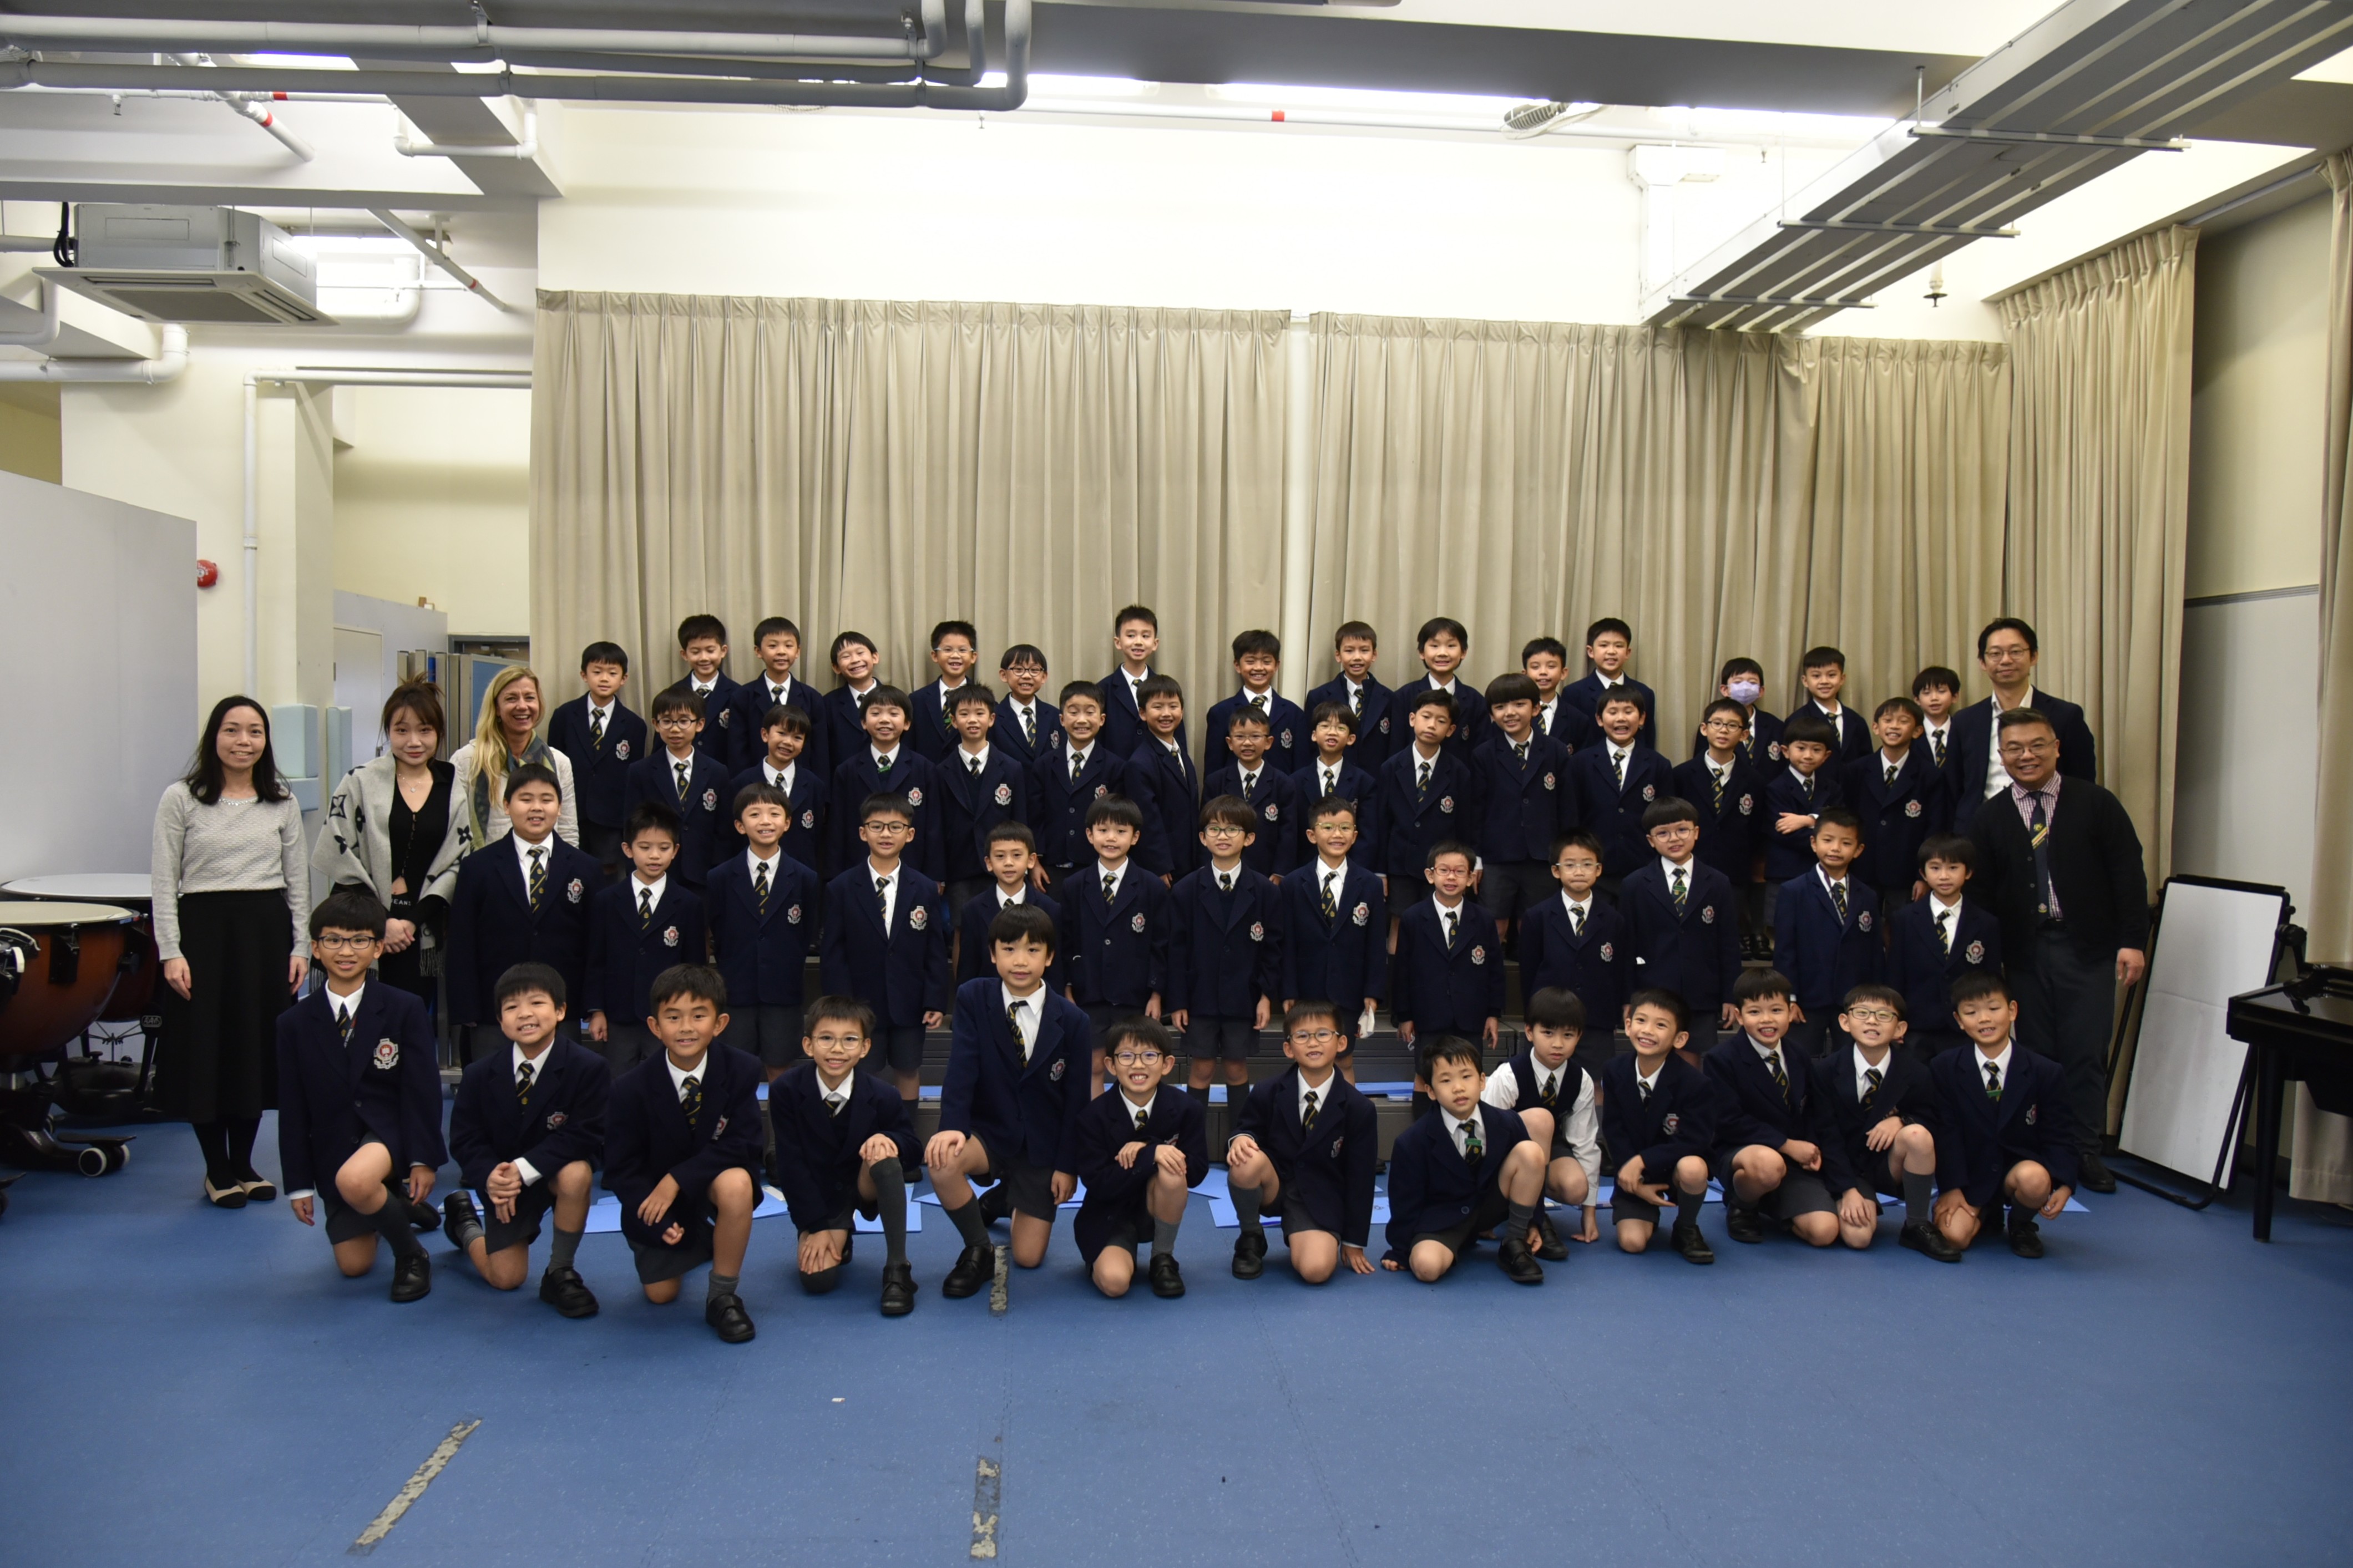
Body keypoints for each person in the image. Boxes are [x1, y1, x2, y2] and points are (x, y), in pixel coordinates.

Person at [1965, 707, 2146, 1194]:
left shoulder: (2095, 803)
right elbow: (1981, 894)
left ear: (2056, 747)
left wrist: (2132, 940)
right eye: (2014, 748)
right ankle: (2043, 1148)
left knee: (2084, 1053)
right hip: (2024, 953)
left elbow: (2128, 874)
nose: (2026, 755)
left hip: (2087, 948)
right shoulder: (1991, 815)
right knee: (2035, 1055)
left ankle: (2085, 1149)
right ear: (2001, 755)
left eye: (2036, 745)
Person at [152, 695, 312, 1207]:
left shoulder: (281, 801)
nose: (244, 741)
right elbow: (164, 881)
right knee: (207, 1048)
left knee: (255, 1048)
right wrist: (170, 950)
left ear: (266, 740)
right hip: (202, 934)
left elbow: (298, 881)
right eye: (232, 730)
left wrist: (302, 945)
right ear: (214, 737)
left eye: (255, 731)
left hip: (265, 934)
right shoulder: (181, 798)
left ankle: (244, 1163)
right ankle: (216, 1169)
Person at [274, 891, 442, 1300]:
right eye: (333, 940)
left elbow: (422, 1090)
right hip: (334, 1146)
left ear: (378, 948)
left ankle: (412, 1254)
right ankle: (396, 1205)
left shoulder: (404, 1007)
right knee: (355, 1265)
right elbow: (292, 1107)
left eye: (359, 940)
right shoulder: (293, 1022)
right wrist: (298, 1185)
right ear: (315, 948)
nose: (346, 951)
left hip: (388, 1131)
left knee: (356, 1179)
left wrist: (422, 1158)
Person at [928, 905, 1094, 1295]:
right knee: (942, 1160)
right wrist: (952, 1127)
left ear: (1050, 957)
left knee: (1028, 1257)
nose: (1020, 961)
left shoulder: (1074, 1022)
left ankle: (1005, 1198)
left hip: (1041, 1148)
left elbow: (1076, 1102)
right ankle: (978, 1248)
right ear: (992, 954)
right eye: (1009, 949)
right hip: (989, 1133)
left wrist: (1067, 1166)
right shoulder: (973, 997)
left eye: (1032, 950)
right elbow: (962, 1068)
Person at [603, 963, 762, 1339]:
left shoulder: (742, 1069)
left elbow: (744, 1144)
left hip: (706, 1182)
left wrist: (677, 1179)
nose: (686, 1027)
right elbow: (620, 1168)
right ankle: (702, 1238)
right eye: (673, 1017)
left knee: (737, 1184)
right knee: (661, 1295)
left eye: (698, 1016)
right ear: (655, 1026)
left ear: (720, 1024)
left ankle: (723, 1296)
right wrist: (654, 1216)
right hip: (656, 1195)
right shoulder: (629, 1088)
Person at [441, 961, 610, 1313]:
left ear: (561, 1011)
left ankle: (560, 1272)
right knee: (506, 1278)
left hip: (552, 1171)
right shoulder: (479, 1074)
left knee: (577, 1173)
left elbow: (586, 1133)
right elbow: (465, 1139)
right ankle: (465, 1224)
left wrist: (523, 1168)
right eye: (512, 1007)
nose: (525, 1014)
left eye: (536, 1003)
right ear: (500, 1020)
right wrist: (492, 1176)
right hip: (505, 1182)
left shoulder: (588, 1067)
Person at [313, 679, 468, 1007]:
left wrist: (410, 921)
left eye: (425, 730)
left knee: (409, 1019)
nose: (414, 742)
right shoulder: (360, 781)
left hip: (420, 932)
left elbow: (458, 859)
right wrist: (383, 920)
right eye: (402, 730)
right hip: (360, 928)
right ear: (388, 733)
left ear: (438, 733)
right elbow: (340, 853)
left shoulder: (452, 782)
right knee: (358, 1019)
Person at [770, 996, 919, 1317]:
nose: (837, 1049)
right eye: (826, 1038)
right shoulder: (786, 1090)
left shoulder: (884, 1094)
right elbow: (791, 1165)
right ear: (808, 1045)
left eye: (849, 1040)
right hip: (822, 1196)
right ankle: (840, 1234)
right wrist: (815, 1226)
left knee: (885, 1158)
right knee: (818, 1282)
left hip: (863, 1187)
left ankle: (898, 1268)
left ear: (865, 1048)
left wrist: (889, 1139)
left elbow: (913, 1148)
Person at [443, 764, 600, 1066]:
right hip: (493, 1010)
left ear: (560, 807)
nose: (536, 808)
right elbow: (462, 942)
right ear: (507, 805)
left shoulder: (586, 868)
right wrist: (466, 1010)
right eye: (526, 799)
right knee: (494, 1085)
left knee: (559, 1085)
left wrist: (593, 1006)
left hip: (561, 1007)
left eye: (546, 799)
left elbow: (595, 944)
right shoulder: (478, 867)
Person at [1225, 1002, 1379, 1283]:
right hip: (1275, 1185)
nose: (1313, 1043)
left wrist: (1354, 1240)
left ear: (1341, 1043)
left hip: (1320, 1198)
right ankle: (1251, 1236)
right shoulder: (1267, 1090)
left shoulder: (1359, 1108)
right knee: (1245, 1160)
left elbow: (1361, 1179)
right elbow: (1246, 1128)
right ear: (1288, 1048)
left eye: (1323, 1034)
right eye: (1302, 1036)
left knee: (1316, 1271)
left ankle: (1308, 1235)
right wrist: (1242, 1139)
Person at [1931, 970, 2081, 1258]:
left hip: (2018, 1169)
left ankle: (2021, 1224)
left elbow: (2059, 1132)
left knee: (2035, 1180)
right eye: (1972, 1012)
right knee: (1954, 1237)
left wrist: (2064, 1182)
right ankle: (1987, 1213)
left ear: (2012, 1010)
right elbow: (1946, 1133)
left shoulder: (2045, 1071)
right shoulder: (1944, 1067)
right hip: (1971, 1176)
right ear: (1959, 1021)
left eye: (1993, 1008)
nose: (1984, 1019)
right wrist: (1951, 1188)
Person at [1808, 983, 1959, 1261]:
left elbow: (1933, 1118)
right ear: (1845, 1022)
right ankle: (1836, 1200)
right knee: (1859, 1238)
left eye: (1884, 1015)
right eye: (1862, 1013)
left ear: (1900, 1029)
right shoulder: (1825, 1072)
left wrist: (1902, 1120)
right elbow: (1826, 1134)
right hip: (1844, 1167)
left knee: (1918, 1135)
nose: (1872, 1021)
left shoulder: (1916, 1073)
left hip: (1885, 1164)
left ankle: (1916, 1225)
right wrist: (1848, 1190)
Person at [1381, 1035, 1547, 1284]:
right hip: (1444, 1217)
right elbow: (1404, 1203)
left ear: (1482, 1081)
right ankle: (1457, 1243)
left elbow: (1534, 1179)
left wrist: (1534, 1222)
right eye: (1446, 1080)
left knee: (1530, 1152)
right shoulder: (1412, 1141)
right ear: (1430, 1091)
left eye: (1466, 1077)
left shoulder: (1507, 1122)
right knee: (1426, 1268)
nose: (1458, 1088)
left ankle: (1514, 1242)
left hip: (1491, 1205)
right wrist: (1401, 1250)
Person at [819, 793, 952, 1104]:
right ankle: (864, 1128)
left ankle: (905, 1130)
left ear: (910, 834)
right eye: (877, 826)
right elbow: (833, 953)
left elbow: (935, 949)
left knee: (908, 1069)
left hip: (910, 1001)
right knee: (863, 1070)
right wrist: (841, 1004)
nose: (886, 834)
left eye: (895, 827)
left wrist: (935, 999)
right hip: (860, 1004)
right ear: (863, 833)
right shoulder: (841, 888)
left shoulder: (924, 888)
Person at [1707, 969, 1848, 1249]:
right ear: (1739, 1016)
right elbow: (1728, 1121)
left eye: (1776, 1010)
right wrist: (1786, 1145)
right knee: (1768, 1164)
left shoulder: (1799, 1055)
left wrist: (1812, 1150)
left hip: (1794, 1161)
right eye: (1755, 1012)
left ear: (1791, 1012)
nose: (1767, 1020)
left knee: (1824, 1233)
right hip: (1745, 1153)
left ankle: (1770, 1201)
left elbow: (1815, 1112)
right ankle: (1743, 1204)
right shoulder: (1721, 1059)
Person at [1071, 1018, 1207, 1299]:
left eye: (1149, 1056)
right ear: (1111, 1065)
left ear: (1167, 1064)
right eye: (1127, 1056)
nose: (1138, 1065)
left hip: (1156, 1206)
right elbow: (1098, 1184)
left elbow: (1196, 1172)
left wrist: (1150, 1148)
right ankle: (1106, 1256)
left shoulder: (1187, 1109)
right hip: (1110, 1214)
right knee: (1115, 1284)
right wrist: (1150, 1154)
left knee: (1173, 1171)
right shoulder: (1092, 1117)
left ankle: (1162, 1257)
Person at [1167, 796, 1283, 1110]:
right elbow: (1176, 950)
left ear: (1249, 838)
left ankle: (1241, 1136)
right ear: (1202, 838)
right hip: (1199, 997)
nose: (1223, 836)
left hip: (1244, 997)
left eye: (1232, 829)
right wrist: (1178, 1001)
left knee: (1236, 1068)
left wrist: (1266, 996)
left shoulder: (1266, 891)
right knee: (1201, 1068)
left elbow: (1273, 949)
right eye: (1214, 829)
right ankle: (1191, 1137)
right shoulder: (1186, 890)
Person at [1477, 986, 1602, 1260]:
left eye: (1568, 1035)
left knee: (1576, 1187)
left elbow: (1585, 1144)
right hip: (1505, 1155)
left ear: (1579, 1037)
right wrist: (1483, 1212)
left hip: (1547, 1150)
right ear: (1529, 1032)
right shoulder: (1508, 1075)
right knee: (1540, 1120)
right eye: (1548, 1033)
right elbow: (1482, 1135)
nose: (1558, 1044)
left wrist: (1589, 1213)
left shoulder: (1580, 1080)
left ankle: (1533, 1212)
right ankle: (1534, 1219)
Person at [707, 783, 822, 1078]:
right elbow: (718, 931)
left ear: (788, 823)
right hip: (736, 989)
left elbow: (807, 932)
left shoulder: (805, 878)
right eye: (755, 814)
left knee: (780, 1068)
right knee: (735, 1069)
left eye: (774, 813)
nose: (765, 821)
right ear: (740, 825)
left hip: (783, 990)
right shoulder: (719, 877)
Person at [584, 803, 708, 1073]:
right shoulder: (607, 901)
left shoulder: (688, 904)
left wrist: (691, 1014)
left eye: (664, 848)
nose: (654, 855)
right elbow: (596, 960)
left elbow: (695, 967)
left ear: (675, 851)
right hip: (619, 1015)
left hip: (669, 1015)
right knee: (618, 1083)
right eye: (645, 847)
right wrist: (597, 1011)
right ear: (628, 849)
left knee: (665, 1081)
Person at [1057, 795, 1170, 1086]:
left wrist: (1156, 993)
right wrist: (1067, 986)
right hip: (1088, 992)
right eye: (1103, 830)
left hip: (1135, 994)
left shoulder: (1152, 886)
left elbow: (1161, 944)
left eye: (1121, 831)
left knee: (1131, 1063)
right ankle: (1094, 1117)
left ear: (1135, 837)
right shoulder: (1073, 886)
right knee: (1094, 1064)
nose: (1111, 838)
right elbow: (1065, 941)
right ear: (1089, 834)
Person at [1949, 617, 2098, 830]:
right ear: (1983, 662)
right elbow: (1954, 787)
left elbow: (2082, 783)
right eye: (1995, 654)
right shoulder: (1965, 721)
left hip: (2047, 829)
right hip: (1979, 832)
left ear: (2034, 656)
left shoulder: (2066, 716)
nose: (2006, 660)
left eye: (2016, 652)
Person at [1600, 989, 1716, 1262]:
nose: (1648, 1031)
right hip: (1634, 1173)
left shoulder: (1696, 1083)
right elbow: (1615, 1131)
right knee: (1632, 1243)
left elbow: (1694, 1141)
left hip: (1673, 1168)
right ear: (1628, 1025)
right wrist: (1634, 1180)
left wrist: (1643, 1160)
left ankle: (1686, 1227)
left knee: (1694, 1168)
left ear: (1680, 1039)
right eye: (1641, 1021)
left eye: (1661, 1025)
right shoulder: (1615, 1071)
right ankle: (1643, 1211)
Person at [1277, 796, 1387, 1074]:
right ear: (1312, 835)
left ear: (1355, 836)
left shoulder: (1370, 884)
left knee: (1343, 1059)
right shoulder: (1293, 883)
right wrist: (1289, 990)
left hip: (1349, 989)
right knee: (1307, 1058)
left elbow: (1376, 944)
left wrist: (1372, 993)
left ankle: (1345, 1105)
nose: (1337, 834)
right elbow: (1286, 943)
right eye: (1328, 827)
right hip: (1307, 989)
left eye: (1345, 828)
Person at [1618, 799, 1742, 1038]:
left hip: (1703, 992)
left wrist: (1730, 995)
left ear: (1696, 832)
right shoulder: (1634, 885)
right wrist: (1628, 998)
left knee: (1695, 1056)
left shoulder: (1718, 882)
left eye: (1682, 830)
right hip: (1652, 992)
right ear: (1651, 840)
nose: (1674, 839)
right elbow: (1627, 947)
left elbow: (1728, 944)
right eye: (1663, 833)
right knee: (1656, 1052)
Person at [1472, 672, 1575, 947]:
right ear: (1491, 715)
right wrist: (1477, 858)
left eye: (1519, 704)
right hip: (1497, 856)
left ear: (1536, 708)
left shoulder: (1556, 751)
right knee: (1494, 924)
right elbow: (1476, 811)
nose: (1510, 713)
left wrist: (1565, 853)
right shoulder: (1483, 754)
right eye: (1500, 707)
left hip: (1542, 855)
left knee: (1535, 925)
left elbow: (1567, 807)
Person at [1772, 808, 1884, 1059]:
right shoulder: (1793, 891)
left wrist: (1874, 999)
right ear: (1814, 843)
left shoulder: (1867, 895)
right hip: (1807, 998)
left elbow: (1875, 951)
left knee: (1851, 1061)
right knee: (1802, 1060)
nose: (1835, 848)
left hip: (1854, 1001)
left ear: (1858, 850)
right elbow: (1785, 950)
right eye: (1828, 840)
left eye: (1846, 843)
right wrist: (1789, 998)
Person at [1886, 834, 2001, 1060]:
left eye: (1953, 868)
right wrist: (1894, 1020)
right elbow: (1895, 975)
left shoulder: (1986, 923)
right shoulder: (1904, 920)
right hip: (1917, 1026)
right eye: (1935, 868)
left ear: (1968, 872)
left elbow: (1992, 978)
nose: (1944, 876)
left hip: (1967, 1025)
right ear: (1923, 873)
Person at [1674, 697, 1769, 958]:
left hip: (1735, 869)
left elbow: (1757, 829)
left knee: (1729, 941)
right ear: (1705, 729)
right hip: (1691, 865)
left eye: (1732, 725)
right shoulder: (1682, 775)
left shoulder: (1755, 781)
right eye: (1717, 723)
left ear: (1744, 734)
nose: (1724, 730)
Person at [1389, 843, 1503, 1056]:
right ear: (1430, 875)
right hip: (1428, 1017)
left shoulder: (1483, 919)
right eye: (1444, 870)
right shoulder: (1413, 918)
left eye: (1459, 871)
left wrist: (1493, 1014)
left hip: (1471, 1018)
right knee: (1428, 1071)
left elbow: (1495, 971)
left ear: (1470, 878)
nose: (1451, 877)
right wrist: (1404, 1016)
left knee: (1467, 1069)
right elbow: (1403, 972)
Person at [450, 664, 579, 849]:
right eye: (511, 698)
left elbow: (568, 832)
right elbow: (453, 832)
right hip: (484, 865)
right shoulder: (467, 760)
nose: (522, 706)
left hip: (544, 864)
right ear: (497, 708)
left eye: (530, 698)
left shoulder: (559, 762)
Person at [827, 683, 945, 883]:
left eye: (893, 713)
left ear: (907, 723)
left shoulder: (924, 769)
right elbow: (837, 830)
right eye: (876, 713)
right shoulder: (847, 771)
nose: (884, 720)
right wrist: (834, 877)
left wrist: (935, 877)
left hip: (914, 871)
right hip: (858, 871)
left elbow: (934, 827)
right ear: (864, 722)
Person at [547, 641, 646, 876]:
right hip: (571, 812)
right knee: (569, 872)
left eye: (612, 673)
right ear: (584, 675)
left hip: (611, 818)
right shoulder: (564, 716)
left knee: (607, 876)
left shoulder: (634, 725)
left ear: (624, 679)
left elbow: (634, 778)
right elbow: (552, 768)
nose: (604, 679)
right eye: (597, 672)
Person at [1516, 831, 1630, 1033]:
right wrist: (1532, 1016)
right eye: (1570, 865)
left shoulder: (1613, 919)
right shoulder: (1537, 917)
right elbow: (1529, 973)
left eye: (1587, 865)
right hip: (1549, 1019)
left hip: (1597, 1021)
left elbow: (1619, 971)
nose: (1579, 872)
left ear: (1599, 869)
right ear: (1556, 871)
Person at [1565, 691, 1673, 895]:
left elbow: (1666, 821)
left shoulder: (1658, 764)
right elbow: (1572, 815)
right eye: (1613, 712)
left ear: (1642, 718)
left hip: (1643, 866)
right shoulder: (1580, 763)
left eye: (1628, 712)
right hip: (1594, 866)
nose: (1621, 718)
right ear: (1599, 719)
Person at [1843, 696, 1945, 911]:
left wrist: (1924, 875)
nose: (1894, 726)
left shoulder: (1929, 775)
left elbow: (1935, 829)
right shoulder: (1856, 771)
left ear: (1917, 731)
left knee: (1902, 926)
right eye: (1888, 720)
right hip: (1862, 869)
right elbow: (1846, 819)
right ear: (1876, 728)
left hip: (1906, 873)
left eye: (1903, 721)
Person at [621, 688, 730, 890]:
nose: (675, 729)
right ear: (656, 724)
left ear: (700, 724)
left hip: (704, 874)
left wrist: (719, 871)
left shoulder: (717, 772)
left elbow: (724, 830)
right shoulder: (640, 771)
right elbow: (631, 825)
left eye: (683, 721)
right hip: (657, 872)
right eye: (667, 721)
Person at [933, 682, 1027, 911]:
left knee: (1005, 925)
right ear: (954, 721)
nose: (972, 720)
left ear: (992, 719)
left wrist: (1022, 863)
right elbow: (937, 826)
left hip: (1003, 866)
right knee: (961, 927)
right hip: (959, 868)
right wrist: (938, 873)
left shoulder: (1012, 768)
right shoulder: (941, 771)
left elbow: (1020, 820)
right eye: (964, 714)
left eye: (979, 713)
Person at [1028, 681, 1127, 897]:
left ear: (1102, 719)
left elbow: (1119, 820)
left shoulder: (1115, 767)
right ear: (1062, 720)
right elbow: (1035, 817)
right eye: (1073, 713)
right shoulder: (1044, 765)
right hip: (1051, 868)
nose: (1082, 720)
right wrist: (1034, 861)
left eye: (1090, 712)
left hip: (1097, 864)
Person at [1375, 687, 1475, 892]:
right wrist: (1380, 871)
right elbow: (1382, 823)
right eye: (1426, 717)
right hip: (1399, 867)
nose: (1432, 725)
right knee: (1399, 914)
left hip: (1442, 870)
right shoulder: (1391, 768)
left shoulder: (1459, 772)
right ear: (1413, 719)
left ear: (1451, 730)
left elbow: (1465, 827)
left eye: (1441, 721)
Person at [725, 703, 828, 881]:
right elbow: (731, 838)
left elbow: (819, 838)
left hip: (800, 878)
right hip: (751, 876)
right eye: (782, 733)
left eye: (797, 737)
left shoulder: (814, 786)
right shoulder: (741, 783)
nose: (788, 742)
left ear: (804, 744)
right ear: (765, 735)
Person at [955, 822, 1062, 987]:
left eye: (1017, 855)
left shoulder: (1049, 909)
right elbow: (968, 971)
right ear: (989, 863)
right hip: (989, 999)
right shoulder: (973, 910)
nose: (1008, 863)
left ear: (1031, 860)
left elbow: (1055, 970)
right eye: (1000, 856)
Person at [1763, 712, 1843, 930]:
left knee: (1821, 928)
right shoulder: (1775, 788)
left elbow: (1839, 824)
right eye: (1801, 748)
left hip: (1824, 871)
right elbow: (1784, 832)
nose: (1808, 756)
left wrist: (1808, 820)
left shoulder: (1832, 788)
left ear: (1826, 756)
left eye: (1816, 750)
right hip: (1786, 872)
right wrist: (1824, 837)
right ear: (1786, 751)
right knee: (1783, 930)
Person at [721, 616, 827, 779]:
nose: (781, 652)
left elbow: (820, 753)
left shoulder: (812, 698)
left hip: (801, 783)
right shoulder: (743, 697)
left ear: (798, 651)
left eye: (789, 646)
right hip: (755, 785)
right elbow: (737, 752)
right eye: (773, 646)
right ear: (758, 651)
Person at [1202, 707, 1300, 879]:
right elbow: (1206, 828)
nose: (1247, 743)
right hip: (1222, 869)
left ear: (1269, 742)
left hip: (1267, 873)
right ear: (1230, 743)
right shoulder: (1216, 782)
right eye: (1240, 737)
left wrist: (1280, 871)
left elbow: (1288, 833)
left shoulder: (1283, 783)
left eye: (1255, 736)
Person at [1126, 673, 1201, 885]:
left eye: (1173, 706)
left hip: (1189, 861)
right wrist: (1159, 865)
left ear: (1182, 711)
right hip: (1165, 869)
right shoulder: (1140, 763)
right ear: (1143, 713)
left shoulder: (1180, 752)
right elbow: (1147, 820)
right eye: (1158, 707)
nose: (1166, 714)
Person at [1205, 629, 1308, 778]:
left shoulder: (1294, 714)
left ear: (1277, 666)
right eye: (1251, 661)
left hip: (1281, 792)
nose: (1259, 668)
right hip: (1234, 791)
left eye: (1266, 662)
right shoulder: (1221, 712)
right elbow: (1213, 769)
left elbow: (1301, 770)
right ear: (1237, 665)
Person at [1292, 703, 1379, 870]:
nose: (1332, 732)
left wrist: (1355, 872)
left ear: (1351, 739)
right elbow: (1291, 832)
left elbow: (1368, 836)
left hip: (1349, 868)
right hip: (1304, 869)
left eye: (1341, 728)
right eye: (1325, 726)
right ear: (1314, 735)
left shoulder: (1364, 782)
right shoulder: (1295, 781)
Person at [1305, 620, 1398, 769]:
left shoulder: (1390, 698)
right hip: (1332, 778)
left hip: (1375, 780)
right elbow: (1309, 747)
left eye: (1364, 650)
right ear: (1338, 655)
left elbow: (1394, 748)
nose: (1357, 657)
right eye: (1349, 651)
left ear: (1374, 655)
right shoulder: (1318, 697)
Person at [1395, 616, 1487, 762]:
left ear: (1463, 652)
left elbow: (1481, 754)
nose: (1443, 653)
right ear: (1422, 653)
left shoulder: (1476, 701)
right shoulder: (1404, 696)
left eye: (1451, 646)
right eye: (1435, 646)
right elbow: (1395, 748)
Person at [1099, 605, 1184, 759]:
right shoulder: (1103, 690)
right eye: (1131, 636)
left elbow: (1178, 740)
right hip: (1117, 771)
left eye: (1145, 636)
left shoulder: (1167, 689)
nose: (1138, 642)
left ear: (1155, 644)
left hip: (1159, 770)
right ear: (1118, 642)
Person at [1561, 617, 1657, 751]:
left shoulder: (1644, 693)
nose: (1611, 652)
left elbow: (1648, 741)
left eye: (1619, 646)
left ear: (1628, 653)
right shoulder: (1574, 693)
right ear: (1591, 651)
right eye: (1604, 645)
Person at [659, 613, 740, 765]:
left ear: (723, 651)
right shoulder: (672, 695)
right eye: (696, 652)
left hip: (725, 775)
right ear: (684, 654)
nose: (704, 658)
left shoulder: (739, 694)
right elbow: (660, 748)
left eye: (710, 651)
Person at [909, 619, 981, 764]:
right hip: (926, 775)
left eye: (962, 650)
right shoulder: (916, 700)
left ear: (973, 657)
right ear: (935, 656)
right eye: (948, 650)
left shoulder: (984, 700)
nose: (955, 655)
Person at [1692, 656, 1782, 765]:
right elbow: (1699, 765)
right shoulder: (1712, 725)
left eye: (1752, 683)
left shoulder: (1776, 725)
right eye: (1738, 682)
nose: (1745, 688)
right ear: (1725, 690)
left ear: (1761, 691)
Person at [821, 631, 884, 779]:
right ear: (836, 668)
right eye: (846, 657)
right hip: (846, 783)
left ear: (875, 657)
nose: (855, 660)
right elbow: (823, 753)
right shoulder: (827, 704)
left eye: (860, 653)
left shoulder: (896, 699)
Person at [1793, 646, 1870, 763]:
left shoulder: (1857, 721)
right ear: (1805, 681)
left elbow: (1866, 761)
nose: (1824, 681)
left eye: (1832, 675)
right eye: (1816, 676)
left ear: (1842, 679)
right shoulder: (1797, 720)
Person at [993, 643, 1062, 771]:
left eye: (1034, 670)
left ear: (1044, 677)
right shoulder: (992, 718)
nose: (1026, 676)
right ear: (1004, 675)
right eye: (1019, 670)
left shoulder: (1056, 716)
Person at [1524, 635, 1598, 751]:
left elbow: (1584, 758)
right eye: (1536, 667)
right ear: (1525, 674)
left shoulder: (1578, 719)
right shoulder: (1515, 713)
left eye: (1551, 666)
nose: (1543, 672)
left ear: (1563, 673)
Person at [1911, 664, 1965, 791]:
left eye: (1941, 691)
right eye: (1927, 693)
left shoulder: (1965, 732)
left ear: (1955, 697)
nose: (1934, 698)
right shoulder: (1910, 735)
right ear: (1917, 700)